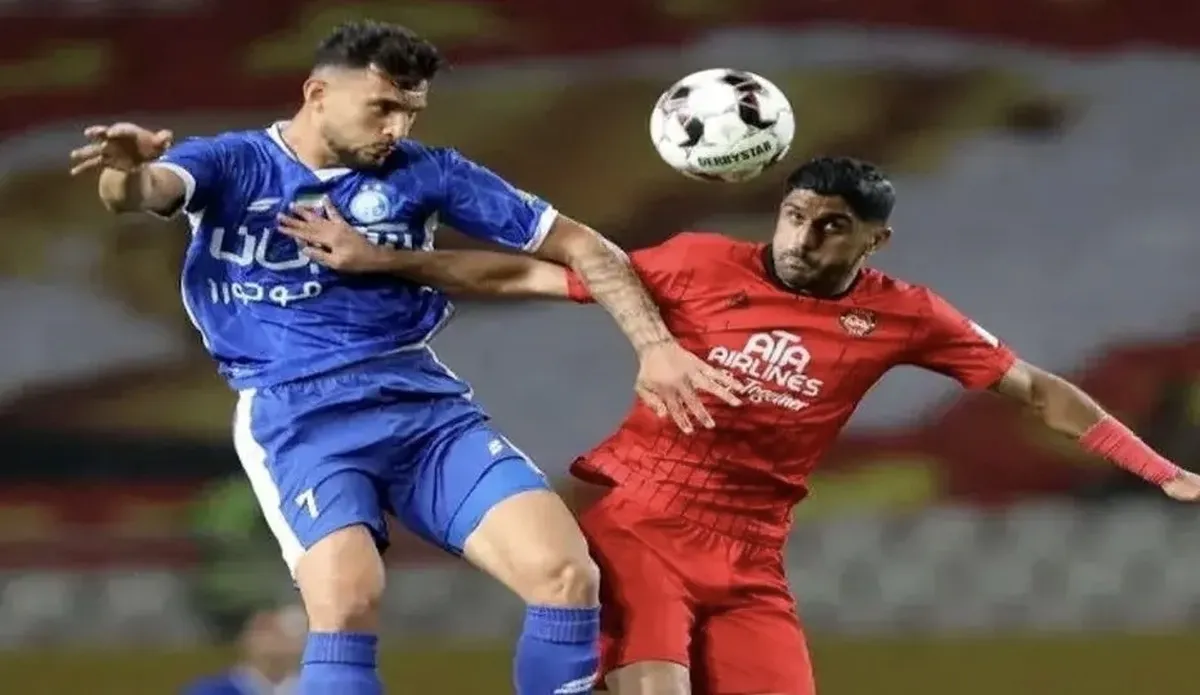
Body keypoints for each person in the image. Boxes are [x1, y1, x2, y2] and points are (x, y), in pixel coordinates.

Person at [275, 155, 1200, 695]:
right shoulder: (697, 263)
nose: (803, 237)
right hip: (642, 526)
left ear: (873, 240)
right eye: (795, 215)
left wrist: (1156, 467)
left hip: (753, 555)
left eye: (831, 226)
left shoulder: (907, 315)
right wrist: (383, 259)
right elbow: (527, 274)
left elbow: (1033, 390)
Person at [67, 20, 742, 695]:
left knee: (567, 575)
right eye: (382, 108)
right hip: (299, 415)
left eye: (411, 111)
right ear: (317, 93)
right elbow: (143, 192)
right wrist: (127, 171)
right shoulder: (235, 162)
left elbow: (585, 247)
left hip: (421, 404)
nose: (397, 128)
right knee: (348, 601)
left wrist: (656, 347)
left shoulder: (429, 172)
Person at [182, 605, 306, 695]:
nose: (271, 639)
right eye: (262, 630)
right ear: (245, 639)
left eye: (278, 631)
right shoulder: (210, 690)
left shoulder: (310, 688)